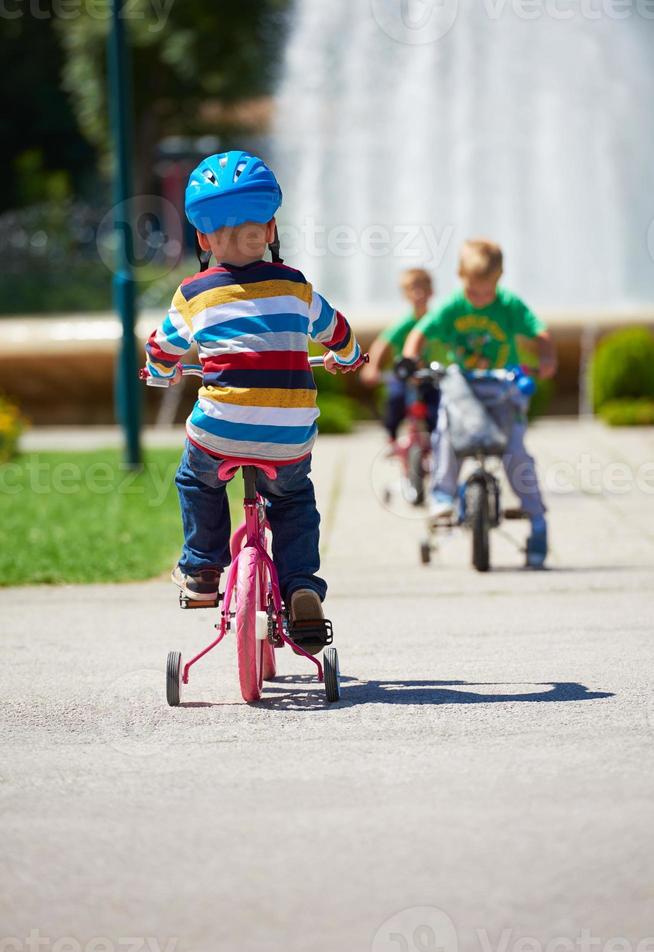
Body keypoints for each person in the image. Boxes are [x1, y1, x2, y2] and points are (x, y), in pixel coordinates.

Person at [145, 150, 363, 648]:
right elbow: (339, 333)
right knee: (292, 500)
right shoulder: (296, 287)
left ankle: (201, 571)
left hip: (222, 428)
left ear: (201, 238)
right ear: (270, 230)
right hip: (288, 434)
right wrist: (347, 358)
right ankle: (302, 585)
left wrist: (161, 372)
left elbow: (162, 348)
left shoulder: (195, 293)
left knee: (195, 478)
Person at [403, 239, 557, 568]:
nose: (481, 299)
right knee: (445, 433)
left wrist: (547, 355)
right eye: (474, 292)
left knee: (516, 452)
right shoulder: (453, 306)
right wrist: (409, 359)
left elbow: (538, 331)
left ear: (499, 278)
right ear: (461, 277)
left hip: (502, 387)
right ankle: (442, 496)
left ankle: (537, 516)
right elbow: (420, 333)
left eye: (487, 292)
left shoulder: (509, 305)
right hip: (465, 386)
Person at [361, 268, 439, 444]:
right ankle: (391, 435)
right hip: (404, 373)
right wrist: (372, 367)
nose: (418, 294)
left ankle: (437, 439)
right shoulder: (405, 322)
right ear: (405, 295)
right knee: (395, 399)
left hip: (429, 374)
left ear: (431, 291)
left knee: (436, 407)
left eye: (423, 288)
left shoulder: (437, 321)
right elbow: (382, 343)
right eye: (413, 289)